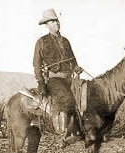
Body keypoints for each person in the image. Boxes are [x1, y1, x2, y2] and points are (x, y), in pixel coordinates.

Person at [33, 8, 83, 144]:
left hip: (69, 78)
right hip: (54, 79)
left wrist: (77, 68)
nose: (56, 23)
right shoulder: (41, 42)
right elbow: (36, 65)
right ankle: (64, 134)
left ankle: (83, 130)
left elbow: (73, 61)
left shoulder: (66, 41)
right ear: (47, 25)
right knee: (67, 98)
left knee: (86, 94)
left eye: (56, 20)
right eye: (52, 21)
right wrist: (41, 83)